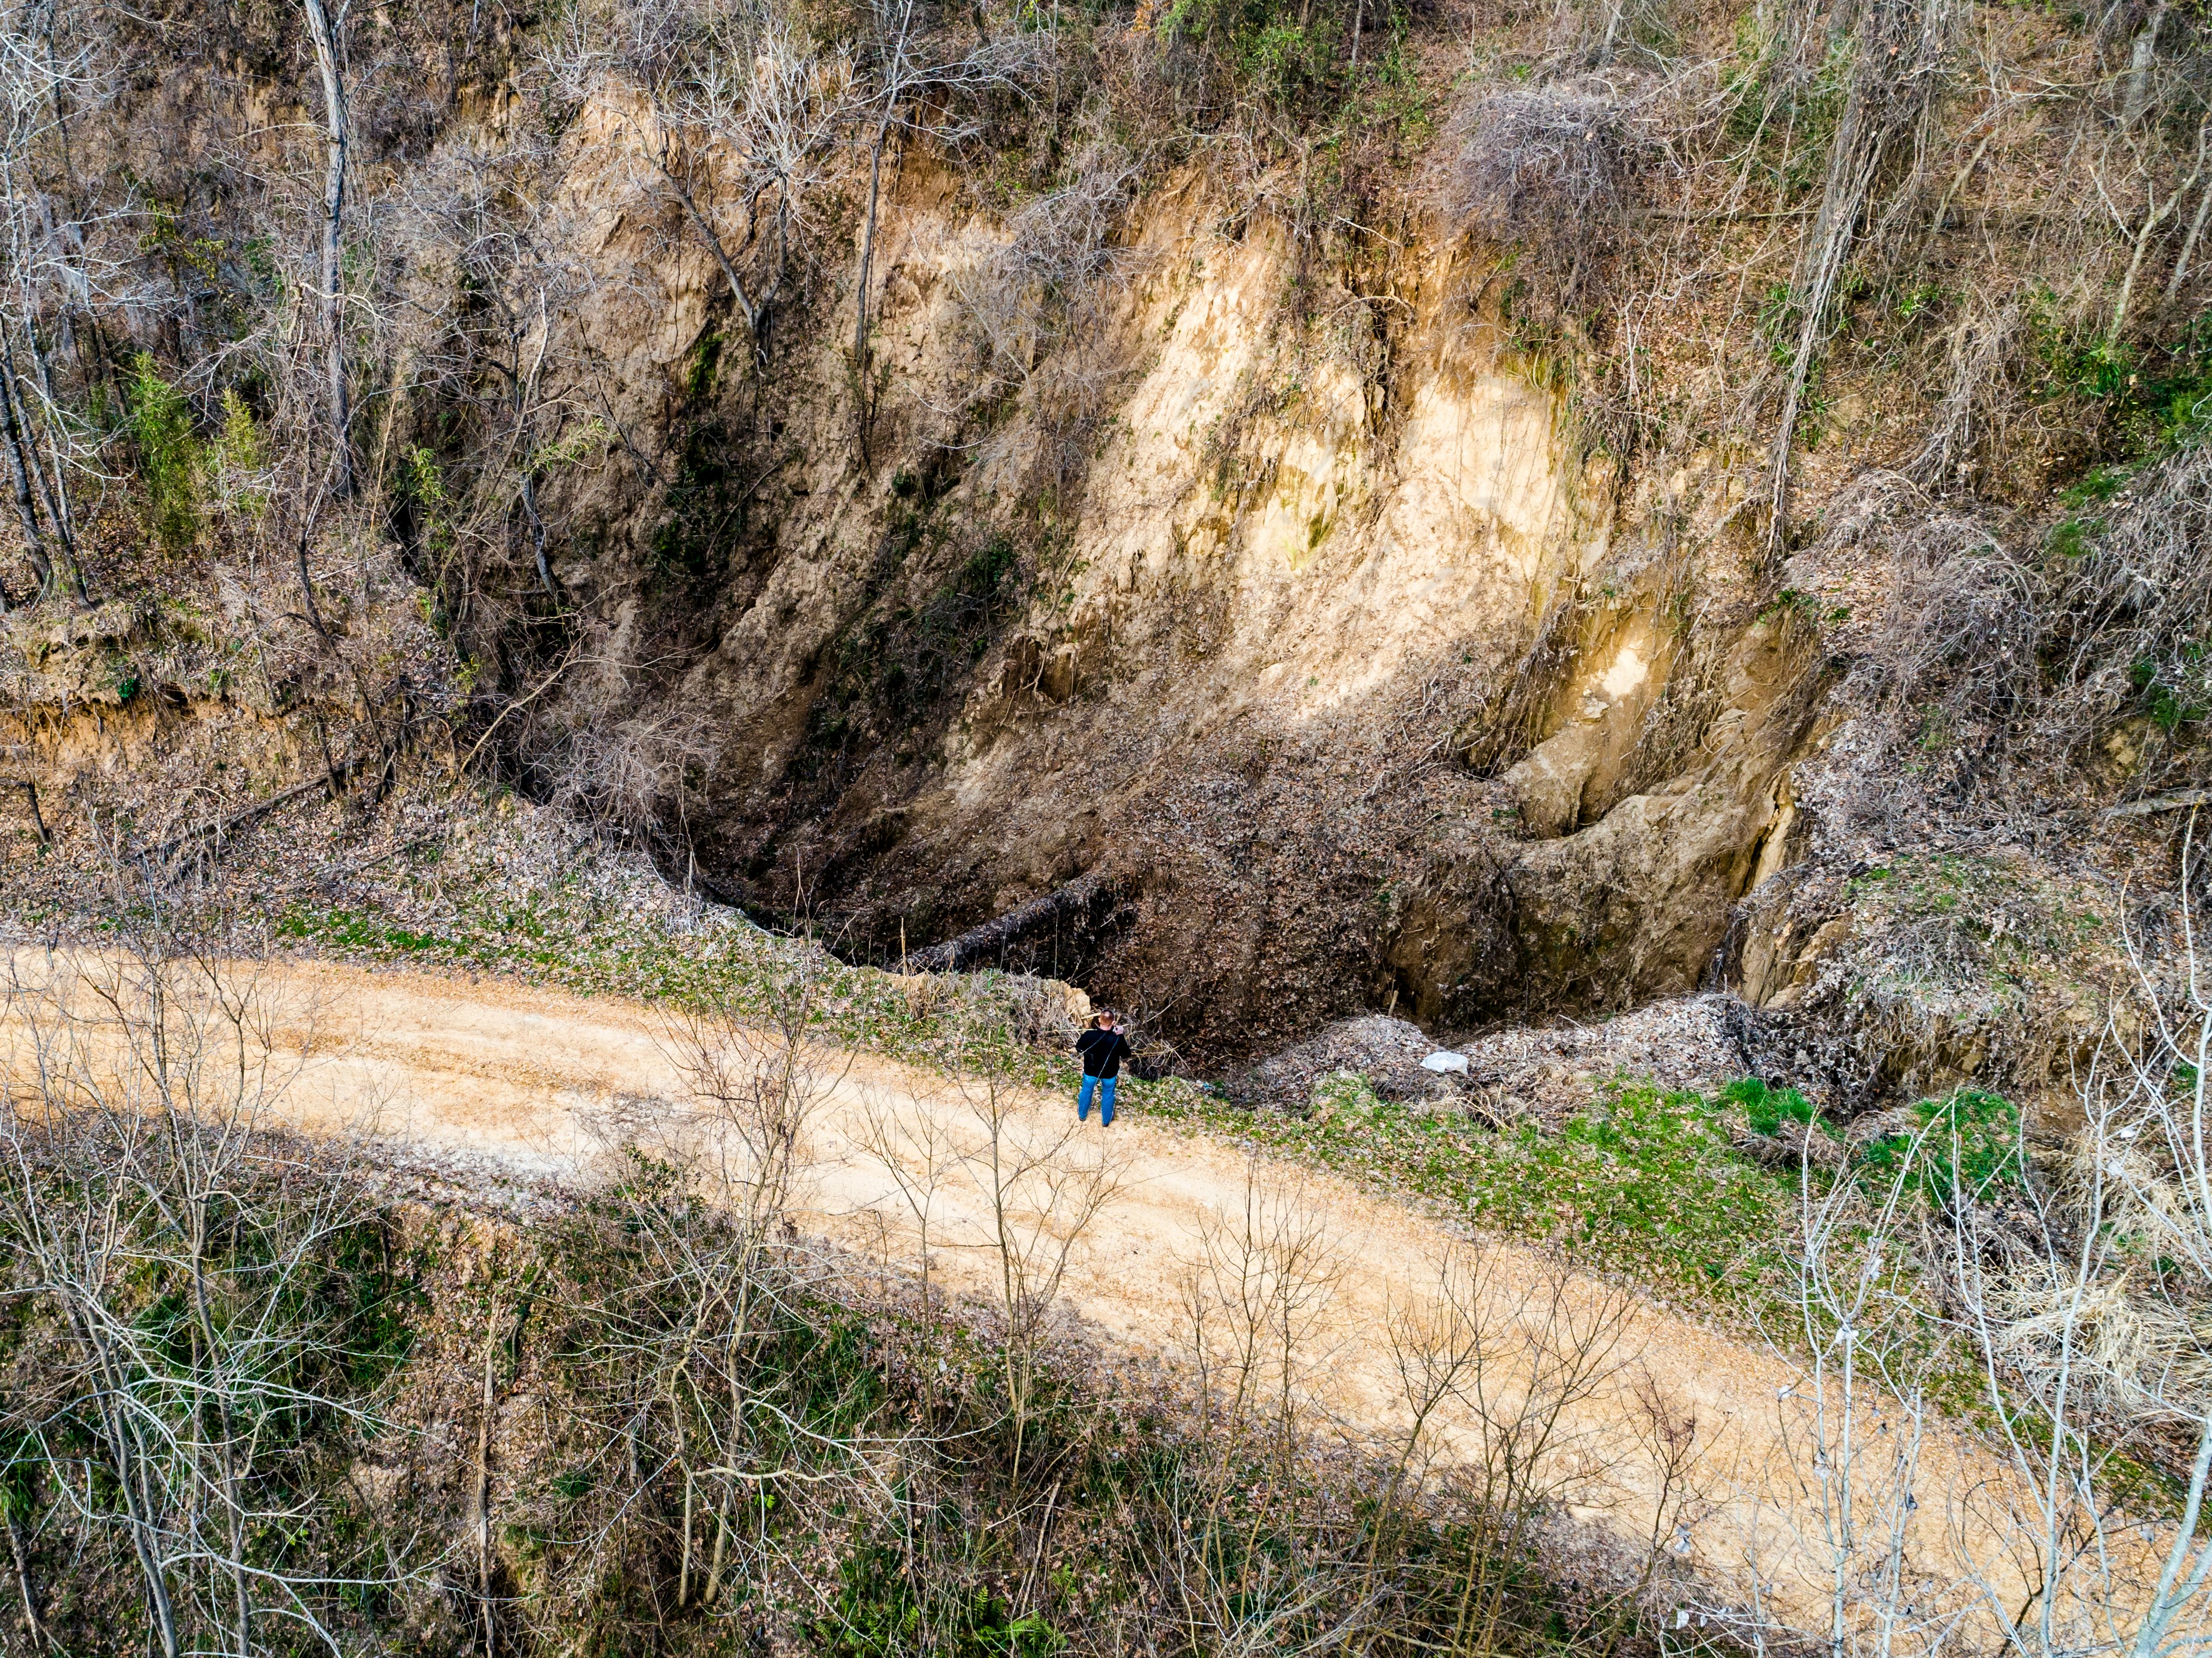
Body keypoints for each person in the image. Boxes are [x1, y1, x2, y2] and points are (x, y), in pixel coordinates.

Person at [1075, 1009, 1131, 1127]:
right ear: (1114, 1022)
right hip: (1110, 1073)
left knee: (1087, 1090)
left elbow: (1079, 1048)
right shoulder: (1117, 1038)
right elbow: (1126, 1055)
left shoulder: (1089, 1035)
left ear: (1099, 1020)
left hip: (1091, 1071)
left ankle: (1082, 1115)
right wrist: (1121, 1035)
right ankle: (1106, 1121)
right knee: (1108, 1094)